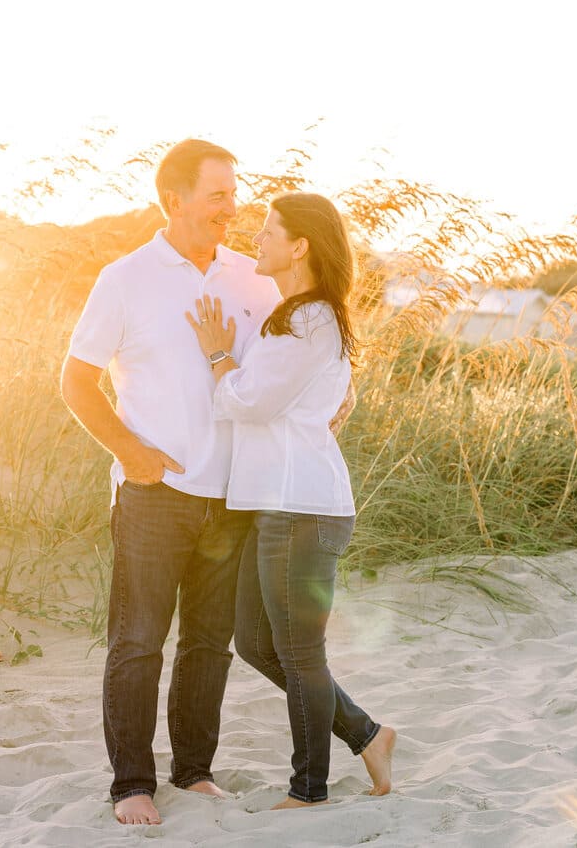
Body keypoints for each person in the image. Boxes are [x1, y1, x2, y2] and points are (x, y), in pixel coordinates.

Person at [61, 141, 352, 826]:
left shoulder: (251, 278)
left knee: (207, 643)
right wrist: (130, 451)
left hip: (234, 498)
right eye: (219, 194)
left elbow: (305, 344)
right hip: (155, 494)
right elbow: (75, 380)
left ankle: (193, 772)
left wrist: (339, 397)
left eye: (234, 193)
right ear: (175, 199)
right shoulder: (126, 278)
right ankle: (132, 780)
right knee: (138, 640)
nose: (234, 207)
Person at [185, 191, 396, 809]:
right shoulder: (301, 315)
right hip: (277, 503)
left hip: (301, 505)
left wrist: (219, 355)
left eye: (270, 230)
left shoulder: (310, 319)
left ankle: (309, 791)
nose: (258, 237)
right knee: (255, 642)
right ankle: (367, 734)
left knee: (300, 652)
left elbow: (252, 403)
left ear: (299, 245)